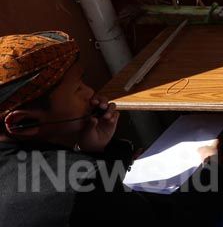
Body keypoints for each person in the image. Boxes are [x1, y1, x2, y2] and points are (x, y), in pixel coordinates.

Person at [0, 32, 157, 226]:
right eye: (77, 89)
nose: (90, 92)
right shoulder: (75, 182)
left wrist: (95, 153)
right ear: (22, 123)